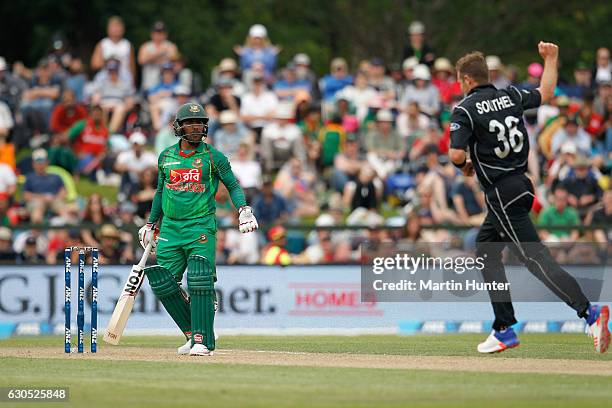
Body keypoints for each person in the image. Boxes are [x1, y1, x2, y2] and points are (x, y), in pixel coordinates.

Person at [448, 42, 609, 354]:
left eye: (458, 79)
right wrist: (551, 58)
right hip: (523, 184)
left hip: (500, 193)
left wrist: (465, 166)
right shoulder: (509, 95)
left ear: (467, 80)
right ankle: (504, 328)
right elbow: (545, 92)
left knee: (536, 259)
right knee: (486, 249)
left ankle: (589, 314)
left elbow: (456, 154)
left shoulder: (464, 109)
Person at [138, 102, 258, 356]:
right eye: (190, 123)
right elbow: (161, 192)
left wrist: (243, 209)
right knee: (162, 282)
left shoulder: (214, 156)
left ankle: (204, 341)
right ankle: (193, 333)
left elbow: (233, 185)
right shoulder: (165, 157)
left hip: (201, 224)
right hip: (170, 227)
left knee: (199, 279)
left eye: (200, 122)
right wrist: (151, 223)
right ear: (178, 127)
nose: (195, 127)